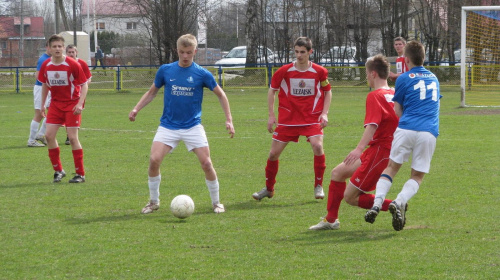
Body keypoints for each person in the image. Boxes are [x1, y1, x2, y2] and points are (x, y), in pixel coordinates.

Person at [128, 34, 235, 214]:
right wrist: (136, 109)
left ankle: (216, 202)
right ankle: (154, 202)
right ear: (176, 51)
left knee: (207, 164)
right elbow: (152, 92)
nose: (185, 56)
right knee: (154, 160)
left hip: (192, 126)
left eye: (189, 53)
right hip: (168, 126)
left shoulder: (202, 73)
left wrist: (229, 120)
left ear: (195, 52)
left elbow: (221, 95)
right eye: (182, 52)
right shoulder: (166, 70)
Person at [309, 54, 399, 230]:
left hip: (380, 151)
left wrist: (358, 149)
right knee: (337, 173)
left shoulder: (375, 96)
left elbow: (372, 126)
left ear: (373, 74)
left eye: (366, 73)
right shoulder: (395, 94)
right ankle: (331, 219)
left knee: (350, 197)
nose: (366, 77)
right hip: (384, 150)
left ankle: (396, 204)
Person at [367, 40, 441, 231]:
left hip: (406, 127)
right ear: (423, 58)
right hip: (428, 131)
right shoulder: (434, 78)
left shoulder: (403, 79)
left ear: (406, 59)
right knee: (417, 175)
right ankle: (399, 201)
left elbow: (397, 110)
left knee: (391, 168)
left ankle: (377, 203)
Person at [252, 37, 332, 201]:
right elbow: (272, 91)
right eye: (296, 52)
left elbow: (327, 91)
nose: (299, 55)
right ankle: (269, 189)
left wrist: (325, 113)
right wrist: (271, 115)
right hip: (288, 120)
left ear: (310, 52)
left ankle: (318, 185)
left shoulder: (320, 71)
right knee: (273, 154)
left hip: (311, 119)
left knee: (317, 146)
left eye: (302, 52)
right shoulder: (284, 71)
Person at [39, 34, 89, 183]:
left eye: (60, 46)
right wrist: (42, 105)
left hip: (71, 104)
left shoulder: (73, 64)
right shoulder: (46, 65)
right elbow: (45, 85)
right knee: (49, 136)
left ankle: (80, 173)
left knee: (73, 138)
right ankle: (58, 170)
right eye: (54, 46)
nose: (57, 49)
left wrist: (80, 103)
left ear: (63, 48)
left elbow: (84, 84)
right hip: (55, 104)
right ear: (49, 48)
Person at [64, 44, 92, 145]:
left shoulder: (81, 63)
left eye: (73, 52)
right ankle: (69, 135)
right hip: (66, 94)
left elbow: (88, 78)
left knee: (76, 112)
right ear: (66, 53)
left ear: (76, 52)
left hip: (79, 94)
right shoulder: (63, 63)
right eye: (69, 52)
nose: (71, 54)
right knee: (67, 113)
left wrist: (82, 86)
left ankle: (70, 136)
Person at [28, 41, 51, 147]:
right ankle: (31, 140)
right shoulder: (43, 59)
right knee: (39, 114)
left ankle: (41, 134)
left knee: (52, 113)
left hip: (49, 89)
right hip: (41, 88)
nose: (55, 49)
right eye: (52, 46)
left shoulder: (51, 59)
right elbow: (38, 76)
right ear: (47, 47)